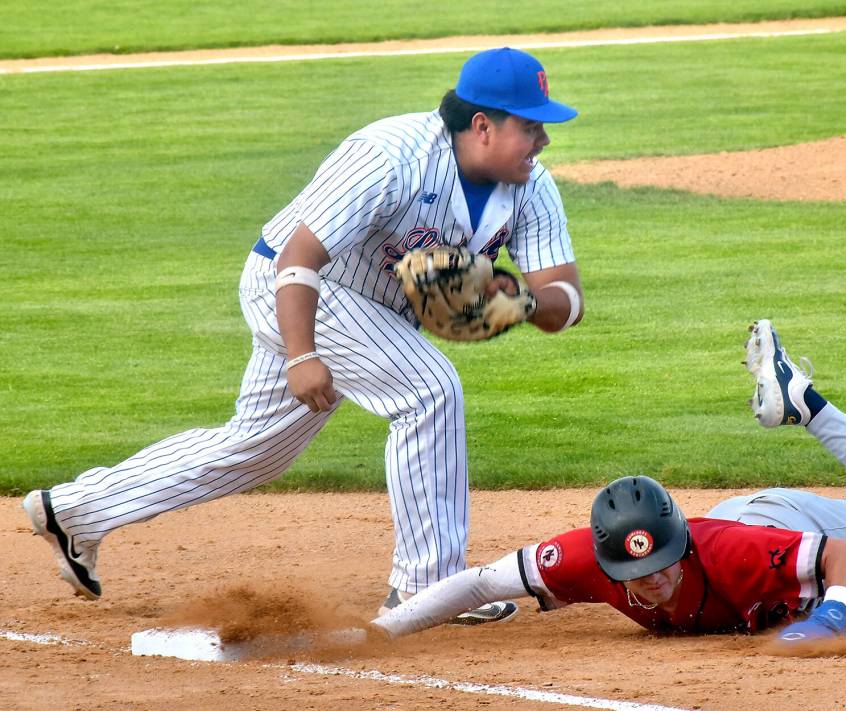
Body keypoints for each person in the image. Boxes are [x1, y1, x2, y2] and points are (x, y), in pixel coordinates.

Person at [22, 47, 585, 625]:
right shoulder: (390, 155)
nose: (543, 139)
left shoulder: (530, 188)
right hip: (294, 288)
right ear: (482, 125)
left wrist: (523, 301)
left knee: (255, 451)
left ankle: (75, 511)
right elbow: (298, 256)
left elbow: (569, 302)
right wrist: (302, 354)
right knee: (428, 390)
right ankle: (428, 584)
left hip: (372, 314)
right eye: (531, 125)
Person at [367, 319, 846, 644]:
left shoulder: (727, 556)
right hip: (754, 518)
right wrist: (378, 633)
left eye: (663, 562)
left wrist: (834, 617)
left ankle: (809, 406)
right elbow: (479, 583)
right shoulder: (588, 559)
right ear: (610, 563)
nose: (657, 579)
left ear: (678, 540)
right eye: (639, 572)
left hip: (774, 529)